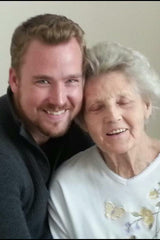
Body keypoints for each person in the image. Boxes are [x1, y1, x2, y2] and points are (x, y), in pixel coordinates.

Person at [49, 41, 160, 239]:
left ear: (146, 105)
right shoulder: (67, 187)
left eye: (123, 102)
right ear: (83, 122)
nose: (113, 116)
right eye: (97, 107)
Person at [0, 13, 93, 239]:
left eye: (71, 80)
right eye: (43, 81)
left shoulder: (79, 133)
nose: (59, 99)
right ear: (14, 80)